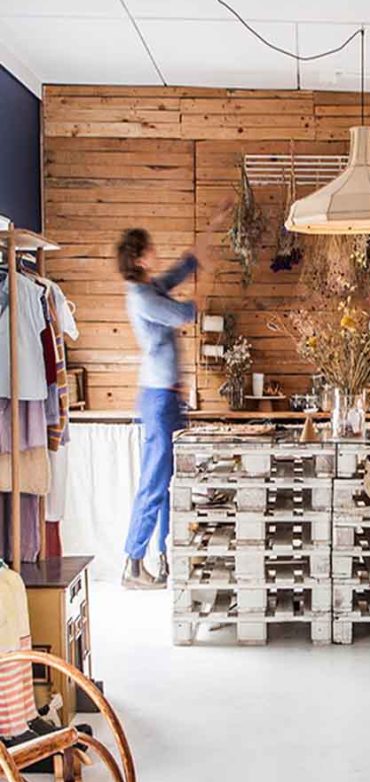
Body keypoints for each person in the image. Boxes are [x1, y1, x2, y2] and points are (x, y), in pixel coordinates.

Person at [116, 205, 230, 589]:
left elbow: (183, 267)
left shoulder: (149, 288)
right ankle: (133, 563)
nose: (156, 252)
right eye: (150, 249)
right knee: (154, 480)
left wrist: (214, 226)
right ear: (138, 258)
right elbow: (185, 313)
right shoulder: (142, 297)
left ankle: (167, 556)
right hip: (158, 399)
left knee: (171, 481)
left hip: (167, 397)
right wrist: (206, 286)